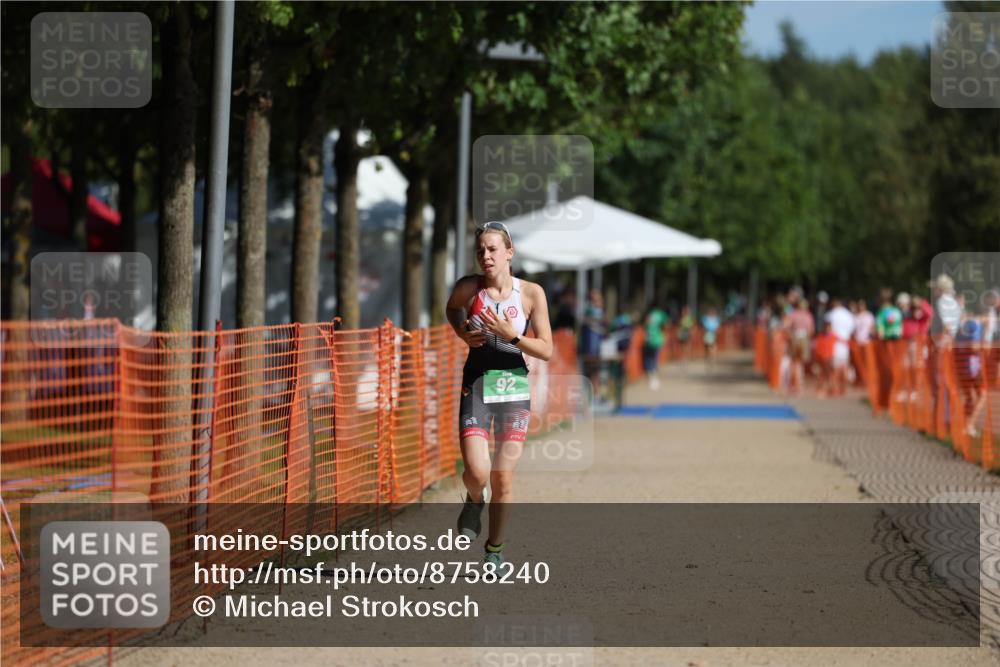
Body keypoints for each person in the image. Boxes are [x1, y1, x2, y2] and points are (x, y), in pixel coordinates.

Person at [445, 221, 553, 568]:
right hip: (476, 384)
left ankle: (494, 551)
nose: (485, 256)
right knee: (477, 472)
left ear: (510, 252)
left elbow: (547, 349)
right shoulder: (468, 288)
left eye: (492, 249)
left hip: (514, 387)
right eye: (480, 251)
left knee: (503, 475)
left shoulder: (531, 293)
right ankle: (475, 499)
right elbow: (452, 309)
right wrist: (462, 333)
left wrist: (512, 336)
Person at [824, 297, 854, 396]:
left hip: (834, 345)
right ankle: (843, 389)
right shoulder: (849, 315)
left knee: (834, 369)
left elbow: (828, 329)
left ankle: (834, 388)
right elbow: (852, 330)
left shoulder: (831, 314)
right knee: (844, 367)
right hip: (845, 345)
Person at [784, 298, 814, 395]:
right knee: (799, 363)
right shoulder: (808, 315)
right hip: (804, 338)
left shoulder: (794, 314)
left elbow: (786, 327)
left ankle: (793, 384)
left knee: (794, 362)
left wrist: (790, 336)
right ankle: (798, 385)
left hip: (795, 338)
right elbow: (811, 330)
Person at [642, 304, 668, 389]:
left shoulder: (649, 315)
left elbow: (645, 326)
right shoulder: (661, 314)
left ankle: (650, 375)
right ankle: (654, 376)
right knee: (655, 358)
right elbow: (665, 325)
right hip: (657, 340)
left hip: (649, 339)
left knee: (649, 358)